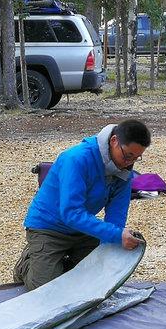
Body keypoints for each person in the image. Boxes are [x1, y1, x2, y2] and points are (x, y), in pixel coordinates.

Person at [14, 120, 150, 291]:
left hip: (82, 230)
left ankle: (62, 262)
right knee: (46, 291)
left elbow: (116, 217)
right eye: (128, 155)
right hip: (48, 228)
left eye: (136, 158)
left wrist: (114, 242)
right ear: (114, 141)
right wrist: (116, 235)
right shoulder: (76, 159)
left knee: (96, 283)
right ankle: (26, 264)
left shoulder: (124, 170)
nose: (129, 163)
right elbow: (71, 213)